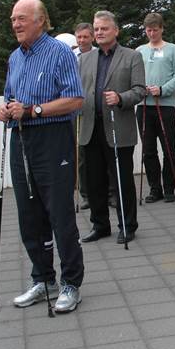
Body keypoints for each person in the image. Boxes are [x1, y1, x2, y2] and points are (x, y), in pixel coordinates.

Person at [0, 0, 84, 314]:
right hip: (21, 140)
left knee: (59, 214)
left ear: (40, 20)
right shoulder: (15, 58)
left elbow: (75, 100)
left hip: (52, 139)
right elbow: (10, 97)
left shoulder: (59, 52)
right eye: (13, 19)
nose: (15, 24)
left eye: (21, 18)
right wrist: (5, 110)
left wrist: (33, 110)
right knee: (29, 216)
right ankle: (43, 278)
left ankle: (70, 283)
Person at [78, 11, 145, 244]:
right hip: (90, 127)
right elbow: (77, 91)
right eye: (96, 29)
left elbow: (139, 90)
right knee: (94, 181)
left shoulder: (132, 56)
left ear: (116, 30)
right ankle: (100, 225)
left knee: (121, 181)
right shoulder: (84, 58)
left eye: (104, 28)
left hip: (118, 127)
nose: (99, 33)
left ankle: (127, 225)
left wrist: (120, 97)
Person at [136, 13, 175, 203]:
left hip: (165, 106)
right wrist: (142, 88)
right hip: (144, 106)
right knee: (148, 150)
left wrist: (163, 89)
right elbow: (134, 76)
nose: (152, 33)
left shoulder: (172, 49)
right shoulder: (139, 50)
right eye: (149, 30)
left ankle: (169, 187)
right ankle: (154, 188)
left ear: (161, 29)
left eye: (155, 30)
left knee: (168, 147)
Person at [73, 22, 96, 210]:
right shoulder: (71, 56)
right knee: (81, 154)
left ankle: (109, 193)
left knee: (100, 152)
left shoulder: (98, 55)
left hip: (95, 109)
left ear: (92, 37)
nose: (82, 40)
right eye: (79, 37)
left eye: (85, 37)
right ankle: (85, 194)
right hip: (76, 111)